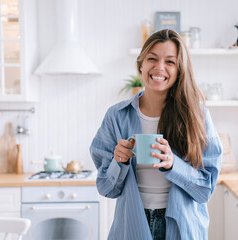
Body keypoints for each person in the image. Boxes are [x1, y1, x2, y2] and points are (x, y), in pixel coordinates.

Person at [90, 29, 222, 240]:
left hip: (183, 227)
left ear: (180, 70)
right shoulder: (116, 116)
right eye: (152, 59)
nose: (159, 67)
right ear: (140, 64)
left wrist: (172, 164)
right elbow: (106, 188)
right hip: (132, 224)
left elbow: (205, 190)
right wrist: (119, 163)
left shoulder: (197, 115)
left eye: (170, 62)